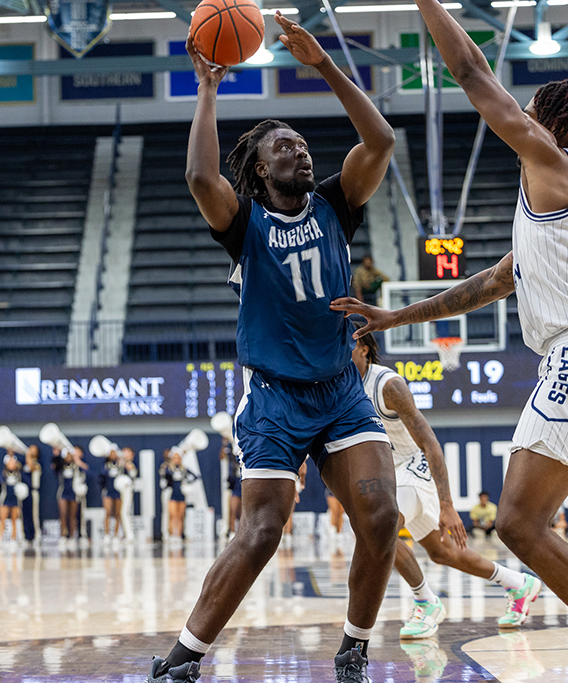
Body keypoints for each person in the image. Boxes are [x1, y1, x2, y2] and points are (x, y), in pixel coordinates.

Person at [330, 2, 568, 679]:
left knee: (516, 523)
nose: (524, 114)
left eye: (533, 107)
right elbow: (486, 285)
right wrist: (396, 317)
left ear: (554, 121)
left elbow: (473, 70)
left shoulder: (552, 158)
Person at [147, 11, 397, 683]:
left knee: (382, 516)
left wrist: (323, 65)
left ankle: (353, 647)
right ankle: (183, 659)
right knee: (261, 533)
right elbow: (203, 179)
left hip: (341, 391)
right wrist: (206, 91)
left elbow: (379, 140)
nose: (300, 151)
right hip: (276, 397)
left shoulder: (336, 203)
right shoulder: (244, 222)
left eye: (302, 144)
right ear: (259, 168)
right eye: (283, 146)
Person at [351, 326, 540, 635]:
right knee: (443, 553)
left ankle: (426, 602)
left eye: (348, 344)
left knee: (377, 527)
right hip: (384, 473)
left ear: (364, 348)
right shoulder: (339, 385)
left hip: (413, 465)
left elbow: (430, 442)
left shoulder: (388, 385)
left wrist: (447, 504)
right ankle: (518, 584)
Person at [52, 446, 88, 551]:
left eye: (69, 455)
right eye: (66, 455)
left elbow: (86, 470)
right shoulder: (61, 466)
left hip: (74, 493)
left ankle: (72, 537)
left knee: (73, 516)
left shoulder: (76, 466)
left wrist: (77, 459)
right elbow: (54, 466)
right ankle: (63, 536)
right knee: (63, 514)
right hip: (63, 492)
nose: (68, 457)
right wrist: (56, 454)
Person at [0, 453, 24, 547]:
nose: (12, 464)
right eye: (10, 463)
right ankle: (0, 538)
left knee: (15, 520)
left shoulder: (19, 474)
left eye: (13, 462)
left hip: (15, 499)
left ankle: (14, 539)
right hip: (5, 499)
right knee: (2, 519)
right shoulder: (3, 474)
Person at [219, 438, 242, 540]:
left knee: (243, 511)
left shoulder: (246, 449)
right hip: (235, 483)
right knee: (233, 508)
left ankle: (242, 532)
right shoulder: (230, 450)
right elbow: (222, 457)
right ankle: (232, 531)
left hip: (244, 482)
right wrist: (224, 445)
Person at [20, 445, 42, 545]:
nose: (31, 451)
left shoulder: (37, 464)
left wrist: (28, 456)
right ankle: (26, 536)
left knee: (34, 515)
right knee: (24, 514)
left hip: (33, 492)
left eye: (34, 450)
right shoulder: (23, 465)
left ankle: (36, 535)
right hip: (24, 492)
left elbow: (32, 467)